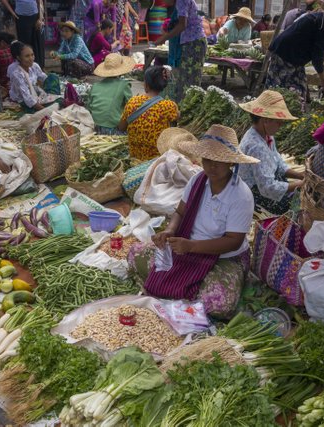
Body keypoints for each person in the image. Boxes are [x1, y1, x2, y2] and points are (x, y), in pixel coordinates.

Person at [128, 124, 259, 318]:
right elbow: (180, 213)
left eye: (218, 161)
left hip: (223, 257)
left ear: (231, 163)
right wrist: (170, 231)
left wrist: (191, 247)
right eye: (207, 159)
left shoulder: (241, 196)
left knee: (219, 302)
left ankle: (180, 287)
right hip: (187, 246)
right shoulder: (198, 181)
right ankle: (181, 289)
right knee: (134, 254)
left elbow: (233, 241)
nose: (211, 166)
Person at [266, 2, 324, 97]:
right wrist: (323, 81)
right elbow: (317, 56)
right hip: (284, 53)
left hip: (289, 53)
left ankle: (292, 109)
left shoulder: (322, 18)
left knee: (299, 89)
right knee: (279, 92)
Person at [238, 90, 305, 215]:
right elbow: (268, 188)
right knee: (298, 208)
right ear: (266, 120)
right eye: (279, 122)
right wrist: (300, 184)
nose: (281, 125)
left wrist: (300, 176)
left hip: (264, 186)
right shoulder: (256, 146)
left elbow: (278, 161)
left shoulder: (265, 135)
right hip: (253, 195)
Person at [118, 66, 179, 160]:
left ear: (146, 84)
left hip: (135, 158)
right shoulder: (169, 106)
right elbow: (177, 117)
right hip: (156, 160)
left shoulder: (132, 102)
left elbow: (121, 127)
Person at [154, 0, 206, 103]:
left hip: (194, 43)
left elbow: (182, 25)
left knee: (190, 80)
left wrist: (164, 38)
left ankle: (188, 109)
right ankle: (183, 108)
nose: (163, 2)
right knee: (184, 78)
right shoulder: (178, 3)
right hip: (189, 43)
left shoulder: (182, 1)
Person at [89, 53, 133, 134]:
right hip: (114, 128)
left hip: (97, 126)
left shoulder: (95, 86)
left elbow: (90, 105)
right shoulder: (124, 85)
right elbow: (131, 106)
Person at [8, 41, 58, 112]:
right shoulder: (17, 74)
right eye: (27, 56)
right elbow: (27, 98)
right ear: (18, 57)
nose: (31, 58)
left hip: (34, 93)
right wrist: (45, 110)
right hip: (22, 100)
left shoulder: (34, 66)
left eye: (32, 55)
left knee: (53, 77)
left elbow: (45, 79)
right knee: (35, 110)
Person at [0, 0, 45, 68]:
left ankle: (39, 68)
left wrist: (40, 18)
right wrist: (12, 13)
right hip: (21, 18)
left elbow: (39, 2)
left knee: (37, 44)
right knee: (25, 44)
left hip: (35, 17)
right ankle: (26, 67)